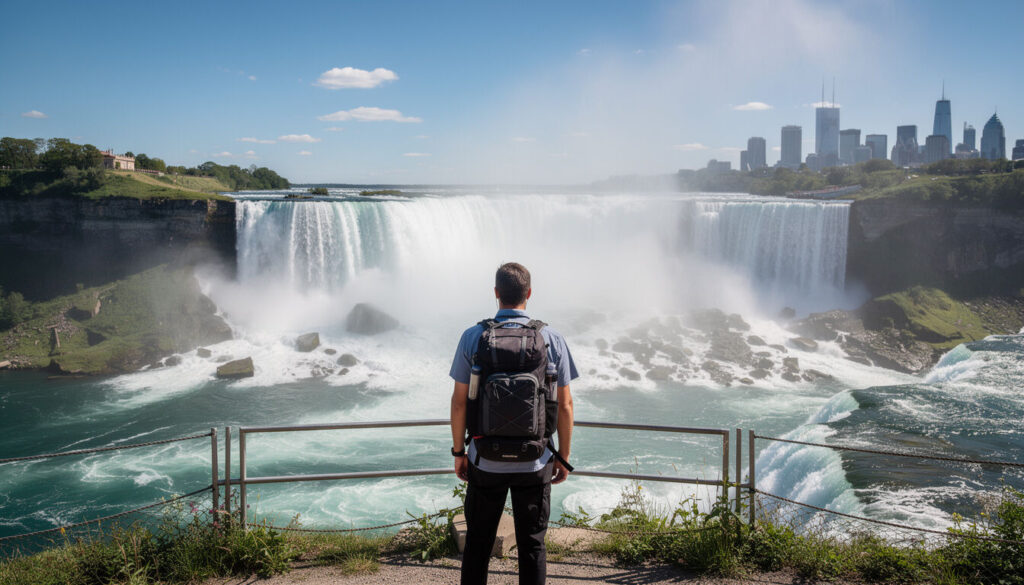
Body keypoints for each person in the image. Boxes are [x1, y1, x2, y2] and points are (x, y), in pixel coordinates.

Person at [449, 262, 578, 585]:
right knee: (532, 546)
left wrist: (459, 453)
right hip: (535, 460)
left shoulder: (473, 337)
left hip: (485, 459)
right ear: (529, 293)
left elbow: (459, 402)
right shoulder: (551, 338)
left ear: (496, 293)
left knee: (478, 543)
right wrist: (562, 457)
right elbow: (565, 405)